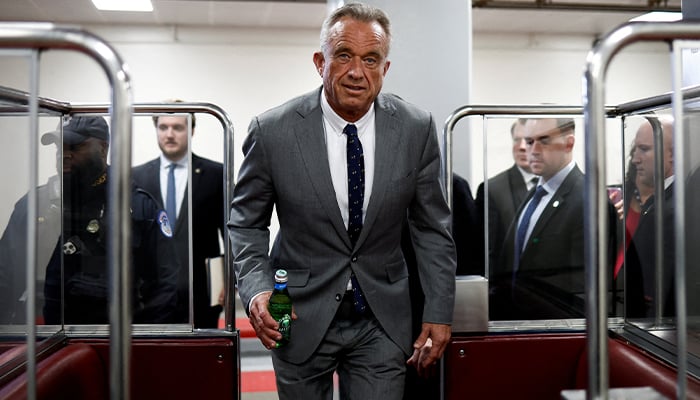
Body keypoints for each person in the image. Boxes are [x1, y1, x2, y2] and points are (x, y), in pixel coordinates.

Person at [227, 3, 457, 399]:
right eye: (344, 56)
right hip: (297, 315)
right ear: (320, 62)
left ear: (384, 69)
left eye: (371, 59)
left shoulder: (416, 128)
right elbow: (246, 223)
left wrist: (439, 310)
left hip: (381, 319)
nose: (356, 72)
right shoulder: (272, 131)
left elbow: (432, 229)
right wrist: (257, 290)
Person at [0, 116, 178, 324]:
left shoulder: (137, 206)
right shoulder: (34, 204)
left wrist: (144, 342)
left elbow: (165, 284)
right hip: (46, 339)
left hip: (118, 340)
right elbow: (5, 275)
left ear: (102, 148)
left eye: (74, 147)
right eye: (60, 147)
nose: (64, 155)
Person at [133, 103, 225, 328]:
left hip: (201, 294)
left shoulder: (216, 174)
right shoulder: (135, 177)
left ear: (191, 131)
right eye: (163, 127)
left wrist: (229, 282)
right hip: (148, 296)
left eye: (177, 127)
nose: (170, 134)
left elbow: (232, 233)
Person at [490, 118, 587, 320]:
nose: (531, 150)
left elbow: (583, 282)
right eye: (529, 141)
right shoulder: (538, 191)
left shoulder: (587, 198)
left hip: (558, 326)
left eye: (544, 140)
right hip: (516, 319)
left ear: (569, 143)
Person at [616, 116, 675, 318]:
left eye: (644, 149)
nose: (635, 158)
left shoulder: (674, 208)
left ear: (673, 155)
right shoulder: (659, 202)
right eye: (636, 150)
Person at [475, 118, 537, 272]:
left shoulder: (561, 186)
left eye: (529, 140)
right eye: (517, 140)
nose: (522, 147)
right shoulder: (492, 190)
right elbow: (487, 254)